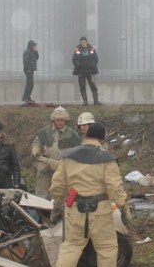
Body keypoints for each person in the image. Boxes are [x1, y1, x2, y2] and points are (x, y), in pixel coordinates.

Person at [50, 123, 132, 267]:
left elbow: (57, 186)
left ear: (85, 136)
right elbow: (115, 188)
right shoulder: (107, 158)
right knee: (106, 248)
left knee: (71, 246)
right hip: (100, 211)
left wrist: (58, 202)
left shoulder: (68, 156)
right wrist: (124, 210)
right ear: (102, 140)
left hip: (75, 209)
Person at [31, 106, 81, 199]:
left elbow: (77, 150)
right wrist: (36, 149)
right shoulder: (45, 131)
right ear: (53, 120)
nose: (60, 122)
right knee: (41, 190)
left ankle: (57, 206)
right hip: (45, 164)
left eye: (62, 120)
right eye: (58, 120)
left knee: (60, 191)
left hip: (62, 166)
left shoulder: (72, 134)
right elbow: (37, 142)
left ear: (65, 120)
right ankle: (40, 208)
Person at [72, 37, 101, 106]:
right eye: (82, 43)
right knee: (82, 86)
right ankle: (85, 102)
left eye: (84, 42)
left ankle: (96, 101)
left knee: (93, 86)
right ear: (80, 43)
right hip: (81, 71)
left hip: (90, 71)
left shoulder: (91, 48)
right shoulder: (77, 49)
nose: (83, 44)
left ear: (86, 42)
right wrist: (79, 65)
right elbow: (74, 59)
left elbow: (95, 58)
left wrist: (92, 65)